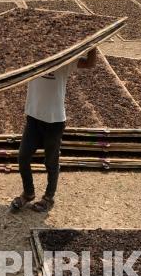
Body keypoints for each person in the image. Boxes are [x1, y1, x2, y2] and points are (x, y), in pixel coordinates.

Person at [10, 48, 98, 213]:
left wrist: (93, 44)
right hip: (33, 117)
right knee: (23, 157)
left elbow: (90, 63)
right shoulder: (32, 56)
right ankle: (28, 194)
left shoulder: (64, 58)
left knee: (51, 162)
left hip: (54, 121)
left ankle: (49, 197)